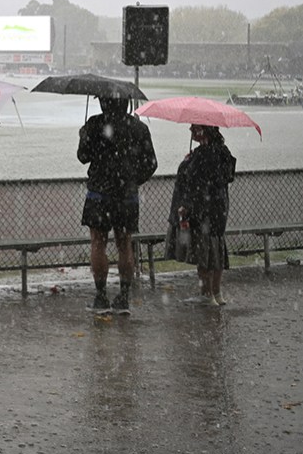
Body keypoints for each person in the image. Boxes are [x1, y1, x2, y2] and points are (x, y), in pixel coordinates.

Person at [76, 96, 158, 314]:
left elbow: (82, 156)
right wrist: (132, 181)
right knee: (125, 244)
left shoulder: (94, 124)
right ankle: (123, 297)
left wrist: (84, 136)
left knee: (98, 243)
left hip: (98, 195)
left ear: (103, 103)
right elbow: (151, 163)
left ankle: (101, 296)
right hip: (127, 197)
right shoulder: (139, 127)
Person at [167, 124, 236, 306]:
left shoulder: (202, 155)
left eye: (194, 128)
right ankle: (217, 293)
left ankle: (206, 294)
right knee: (217, 249)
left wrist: (187, 162)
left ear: (203, 131)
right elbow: (225, 176)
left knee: (203, 252)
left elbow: (193, 183)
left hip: (202, 210)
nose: (190, 130)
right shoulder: (223, 151)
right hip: (219, 209)